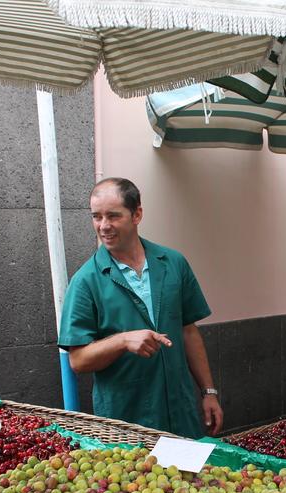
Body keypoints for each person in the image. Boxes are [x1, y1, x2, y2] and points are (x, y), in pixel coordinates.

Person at [59, 178, 223, 438]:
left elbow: (188, 331)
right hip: (126, 423)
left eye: (113, 216)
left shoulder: (173, 263)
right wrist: (122, 341)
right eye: (96, 217)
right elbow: (77, 360)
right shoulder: (85, 281)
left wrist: (208, 392)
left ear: (137, 214)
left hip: (180, 413)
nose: (104, 226)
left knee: (191, 479)